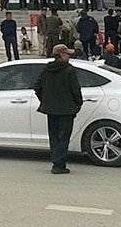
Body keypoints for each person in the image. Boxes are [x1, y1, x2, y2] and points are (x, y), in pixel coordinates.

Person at [33, 45, 83, 174]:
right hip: (67, 109)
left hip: (51, 109)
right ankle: (60, 164)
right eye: (67, 54)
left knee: (54, 136)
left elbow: (37, 86)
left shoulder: (46, 69)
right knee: (64, 137)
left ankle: (56, 162)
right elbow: (75, 89)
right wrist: (78, 103)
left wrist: (44, 100)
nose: (69, 57)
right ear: (61, 55)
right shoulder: (69, 70)